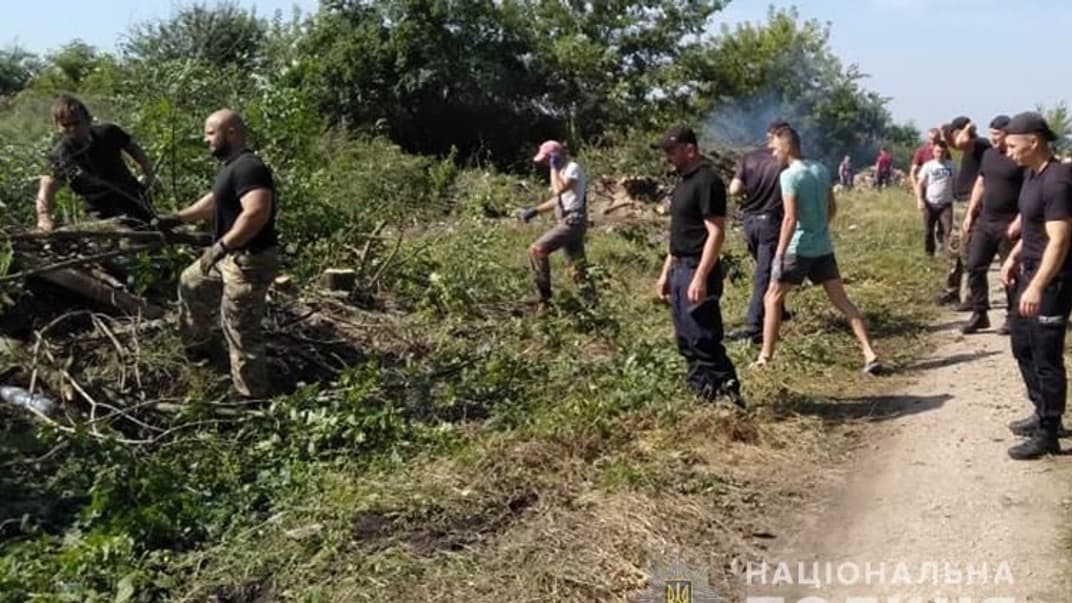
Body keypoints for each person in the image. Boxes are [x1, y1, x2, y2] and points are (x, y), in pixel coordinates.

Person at [154, 109, 280, 400]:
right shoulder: (231, 167)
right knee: (191, 282)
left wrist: (221, 246)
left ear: (231, 132)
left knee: (240, 328)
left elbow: (257, 212)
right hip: (227, 257)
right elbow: (212, 203)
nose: (205, 139)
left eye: (210, 133)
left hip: (248, 260)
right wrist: (175, 218)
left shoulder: (250, 167)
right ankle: (202, 353)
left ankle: (252, 399)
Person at [752, 126, 881, 375]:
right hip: (823, 247)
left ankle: (764, 358)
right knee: (842, 301)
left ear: (787, 146)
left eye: (775, 146)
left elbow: (790, 218)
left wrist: (779, 254)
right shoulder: (820, 169)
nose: (771, 150)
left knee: (772, 298)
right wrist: (819, 228)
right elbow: (832, 208)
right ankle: (869, 352)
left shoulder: (789, 176)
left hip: (797, 248)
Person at [998, 111, 1072, 460]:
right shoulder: (1031, 175)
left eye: (1013, 145)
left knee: (1046, 355)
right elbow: (1034, 227)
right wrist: (1013, 257)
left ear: (1034, 141)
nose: (1008, 151)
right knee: (1022, 345)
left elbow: (1059, 239)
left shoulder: (1057, 182)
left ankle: (1049, 431)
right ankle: (1042, 409)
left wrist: (1038, 286)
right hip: (1028, 270)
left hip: (1051, 280)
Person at [652, 126, 741, 406]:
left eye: (671, 150)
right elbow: (680, 234)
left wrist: (700, 277)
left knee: (703, 339)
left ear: (690, 150)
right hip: (679, 269)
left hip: (696, 269)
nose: (668, 156)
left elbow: (716, 233)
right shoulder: (683, 184)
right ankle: (704, 397)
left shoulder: (707, 181)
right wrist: (665, 273)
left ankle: (729, 400)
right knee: (686, 342)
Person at [35, 94, 157, 232]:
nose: (72, 129)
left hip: (133, 199)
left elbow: (133, 148)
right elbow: (47, 187)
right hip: (101, 213)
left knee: (155, 234)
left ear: (88, 120)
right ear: (57, 127)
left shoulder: (108, 133)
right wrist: (44, 217)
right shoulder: (60, 156)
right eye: (66, 125)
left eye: (77, 123)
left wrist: (149, 174)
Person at [727, 120, 791, 344]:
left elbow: (734, 189)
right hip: (771, 223)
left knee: (768, 269)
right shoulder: (784, 161)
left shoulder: (749, 157)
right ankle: (754, 326)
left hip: (749, 223)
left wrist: (751, 189)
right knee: (765, 274)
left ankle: (779, 310)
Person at [960, 115, 1024, 335]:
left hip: (1009, 224)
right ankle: (980, 313)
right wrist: (970, 213)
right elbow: (980, 183)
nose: (993, 138)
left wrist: (1020, 219)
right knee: (974, 266)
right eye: (991, 134)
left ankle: (1013, 316)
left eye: (997, 134)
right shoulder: (988, 155)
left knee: (1010, 272)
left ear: (1008, 134)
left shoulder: (1018, 157)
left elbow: (1029, 189)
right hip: (985, 222)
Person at [517, 140, 588, 307]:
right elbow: (558, 200)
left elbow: (558, 190)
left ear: (555, 156)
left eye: (546, 159)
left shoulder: (572, 169)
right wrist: (535, 210)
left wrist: (553, 168)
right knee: (577, 268)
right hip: (569, 221)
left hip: (573, 222)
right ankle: (591, 303)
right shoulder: (563, 171)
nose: (544, 163)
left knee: (537, 250)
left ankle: (544, 296)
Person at [936, 116, 991, 306]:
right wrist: (945, 133)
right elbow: (955, 144)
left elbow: (960, 142)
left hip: (972, 204)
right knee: (954, 250)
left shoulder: (980, 144)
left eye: (955, 132)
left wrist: (967, 129)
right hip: (960, 203)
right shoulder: (967, 146)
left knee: (968, 251)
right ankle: (952, 290)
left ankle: (972, 295)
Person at [916, 141, 956, 257]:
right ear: (933, 152)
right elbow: (920, 183)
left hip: (946, 205)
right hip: (930, 204)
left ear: (946, 152)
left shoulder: (952, 166)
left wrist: (957, 196)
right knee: (928, 231)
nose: (940, 154)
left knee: (948, 231)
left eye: (942, 152)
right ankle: (929, 255)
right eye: (938, 151)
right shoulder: (928, 166)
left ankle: (948, 255)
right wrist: (920, 199)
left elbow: (956, 182)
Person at [908, 128, 941, 196]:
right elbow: (912, 172)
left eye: (936, 139)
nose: (933, 141)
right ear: (928, 138)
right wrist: (915, 187)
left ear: (939, 139)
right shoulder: (921, 151)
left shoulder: (944, 152)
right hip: (925, 188)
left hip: (939, 188)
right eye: (931, 139)